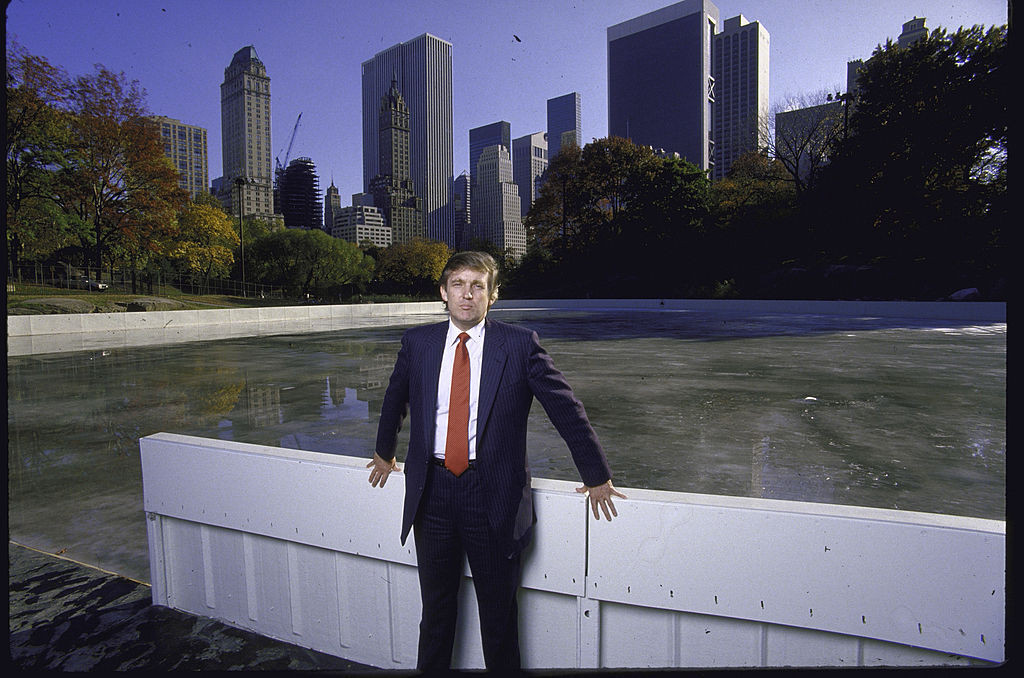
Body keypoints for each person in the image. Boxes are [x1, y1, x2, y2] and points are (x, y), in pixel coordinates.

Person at [367, 251, 625, 670]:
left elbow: (565, 409)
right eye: (458, 284)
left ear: (493, 295)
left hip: (492, 496)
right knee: (435, 614)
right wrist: (384, 452)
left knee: (499, 619)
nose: (467, 294)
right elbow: (395, 399)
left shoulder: (520, 345)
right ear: (444, 293)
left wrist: (596, 475)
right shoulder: (418, 343)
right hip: (431, 494)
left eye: (478, 286)